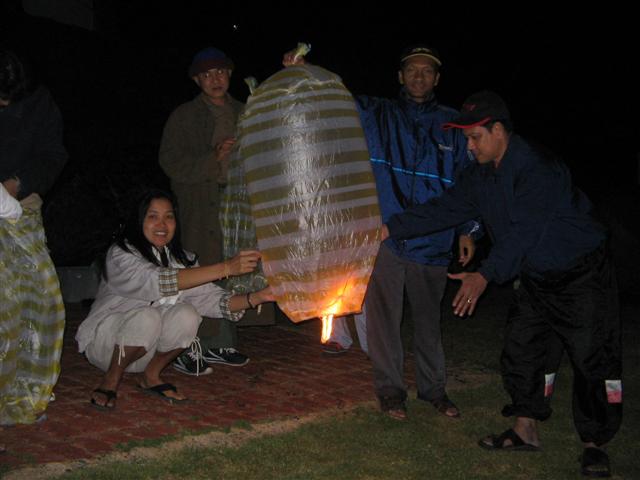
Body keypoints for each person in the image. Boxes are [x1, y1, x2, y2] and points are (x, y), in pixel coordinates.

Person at [383, 91, 621, 478]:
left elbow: (523, 233)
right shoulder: (480, 176)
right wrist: (389, 228)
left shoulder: (538, 168)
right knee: (523, 350)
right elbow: (445, 208)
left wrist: (485, 275)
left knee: (592, 356)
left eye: (475, 137)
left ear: (498, 131)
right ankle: (526, 430)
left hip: (581, 274)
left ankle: (596, 444)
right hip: (535, 276)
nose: (469, 146)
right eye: (466, 138)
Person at [285, 45, 481, 419]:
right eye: (412, 70)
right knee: (382, 322)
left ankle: (434, 390)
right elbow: (335, 96)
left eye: (427, 71)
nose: (419, 77)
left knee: (428, 323)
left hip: (433, 241)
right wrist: (308, 69)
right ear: (400, 76)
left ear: (437, 79)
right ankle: (390, 392)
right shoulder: (377, 113)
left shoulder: (452, 125)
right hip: (383, 238)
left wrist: (468, 230)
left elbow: (469, 183)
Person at [76, 189, 273, 408]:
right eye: (153, 216)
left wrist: (260, 296)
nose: (162, 224)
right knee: (147, 316)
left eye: (169, 217)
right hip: (106, 346)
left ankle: (151, 375)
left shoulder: (182, 260)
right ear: (138, 221)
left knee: (188, 315)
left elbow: (212, 299)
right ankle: (110, 380)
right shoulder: (121, 254)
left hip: (145, 353)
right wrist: (227, 267)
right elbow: (158, 281)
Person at [159, 47, 249, 372]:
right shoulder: (184, 116)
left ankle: (223, 342)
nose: (215, 79)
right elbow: (170, 161)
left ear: (230, 74)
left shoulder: (246, 111)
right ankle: (190, 343)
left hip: (238, 204)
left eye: (220, 72)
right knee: (203, 269)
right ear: (197, 80)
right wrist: (214, 157)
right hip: (200, 203)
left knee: (237, 269)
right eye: (207, 75)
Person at [0, 48, 67, 427]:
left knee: (41, 300)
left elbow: (52, 154)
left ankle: (24, 393)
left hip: (21, 204)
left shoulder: (39, 100)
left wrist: (16, 184)